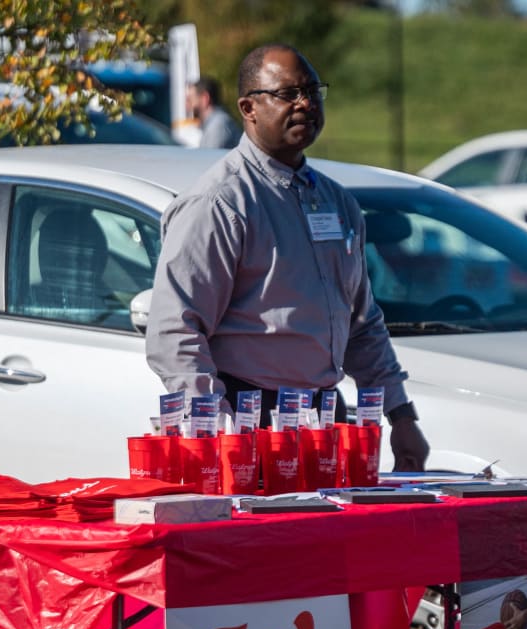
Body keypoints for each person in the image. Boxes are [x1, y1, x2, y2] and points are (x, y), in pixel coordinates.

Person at [146, 43, 430, 471]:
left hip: (323, 420)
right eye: (288, 94)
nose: (305, 104)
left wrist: (400, 413)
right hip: (247, 420)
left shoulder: (336, 202)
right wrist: (217, 430)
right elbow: (174, 331)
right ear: (248, 107)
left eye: (313, 92)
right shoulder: (221, 202)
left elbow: (361, 323)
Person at [187, 75, 242, 149]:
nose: (187, 106)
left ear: (205, 98)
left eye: (190, 100)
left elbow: (210, 159)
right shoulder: (215, 123)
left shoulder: (218, 125)